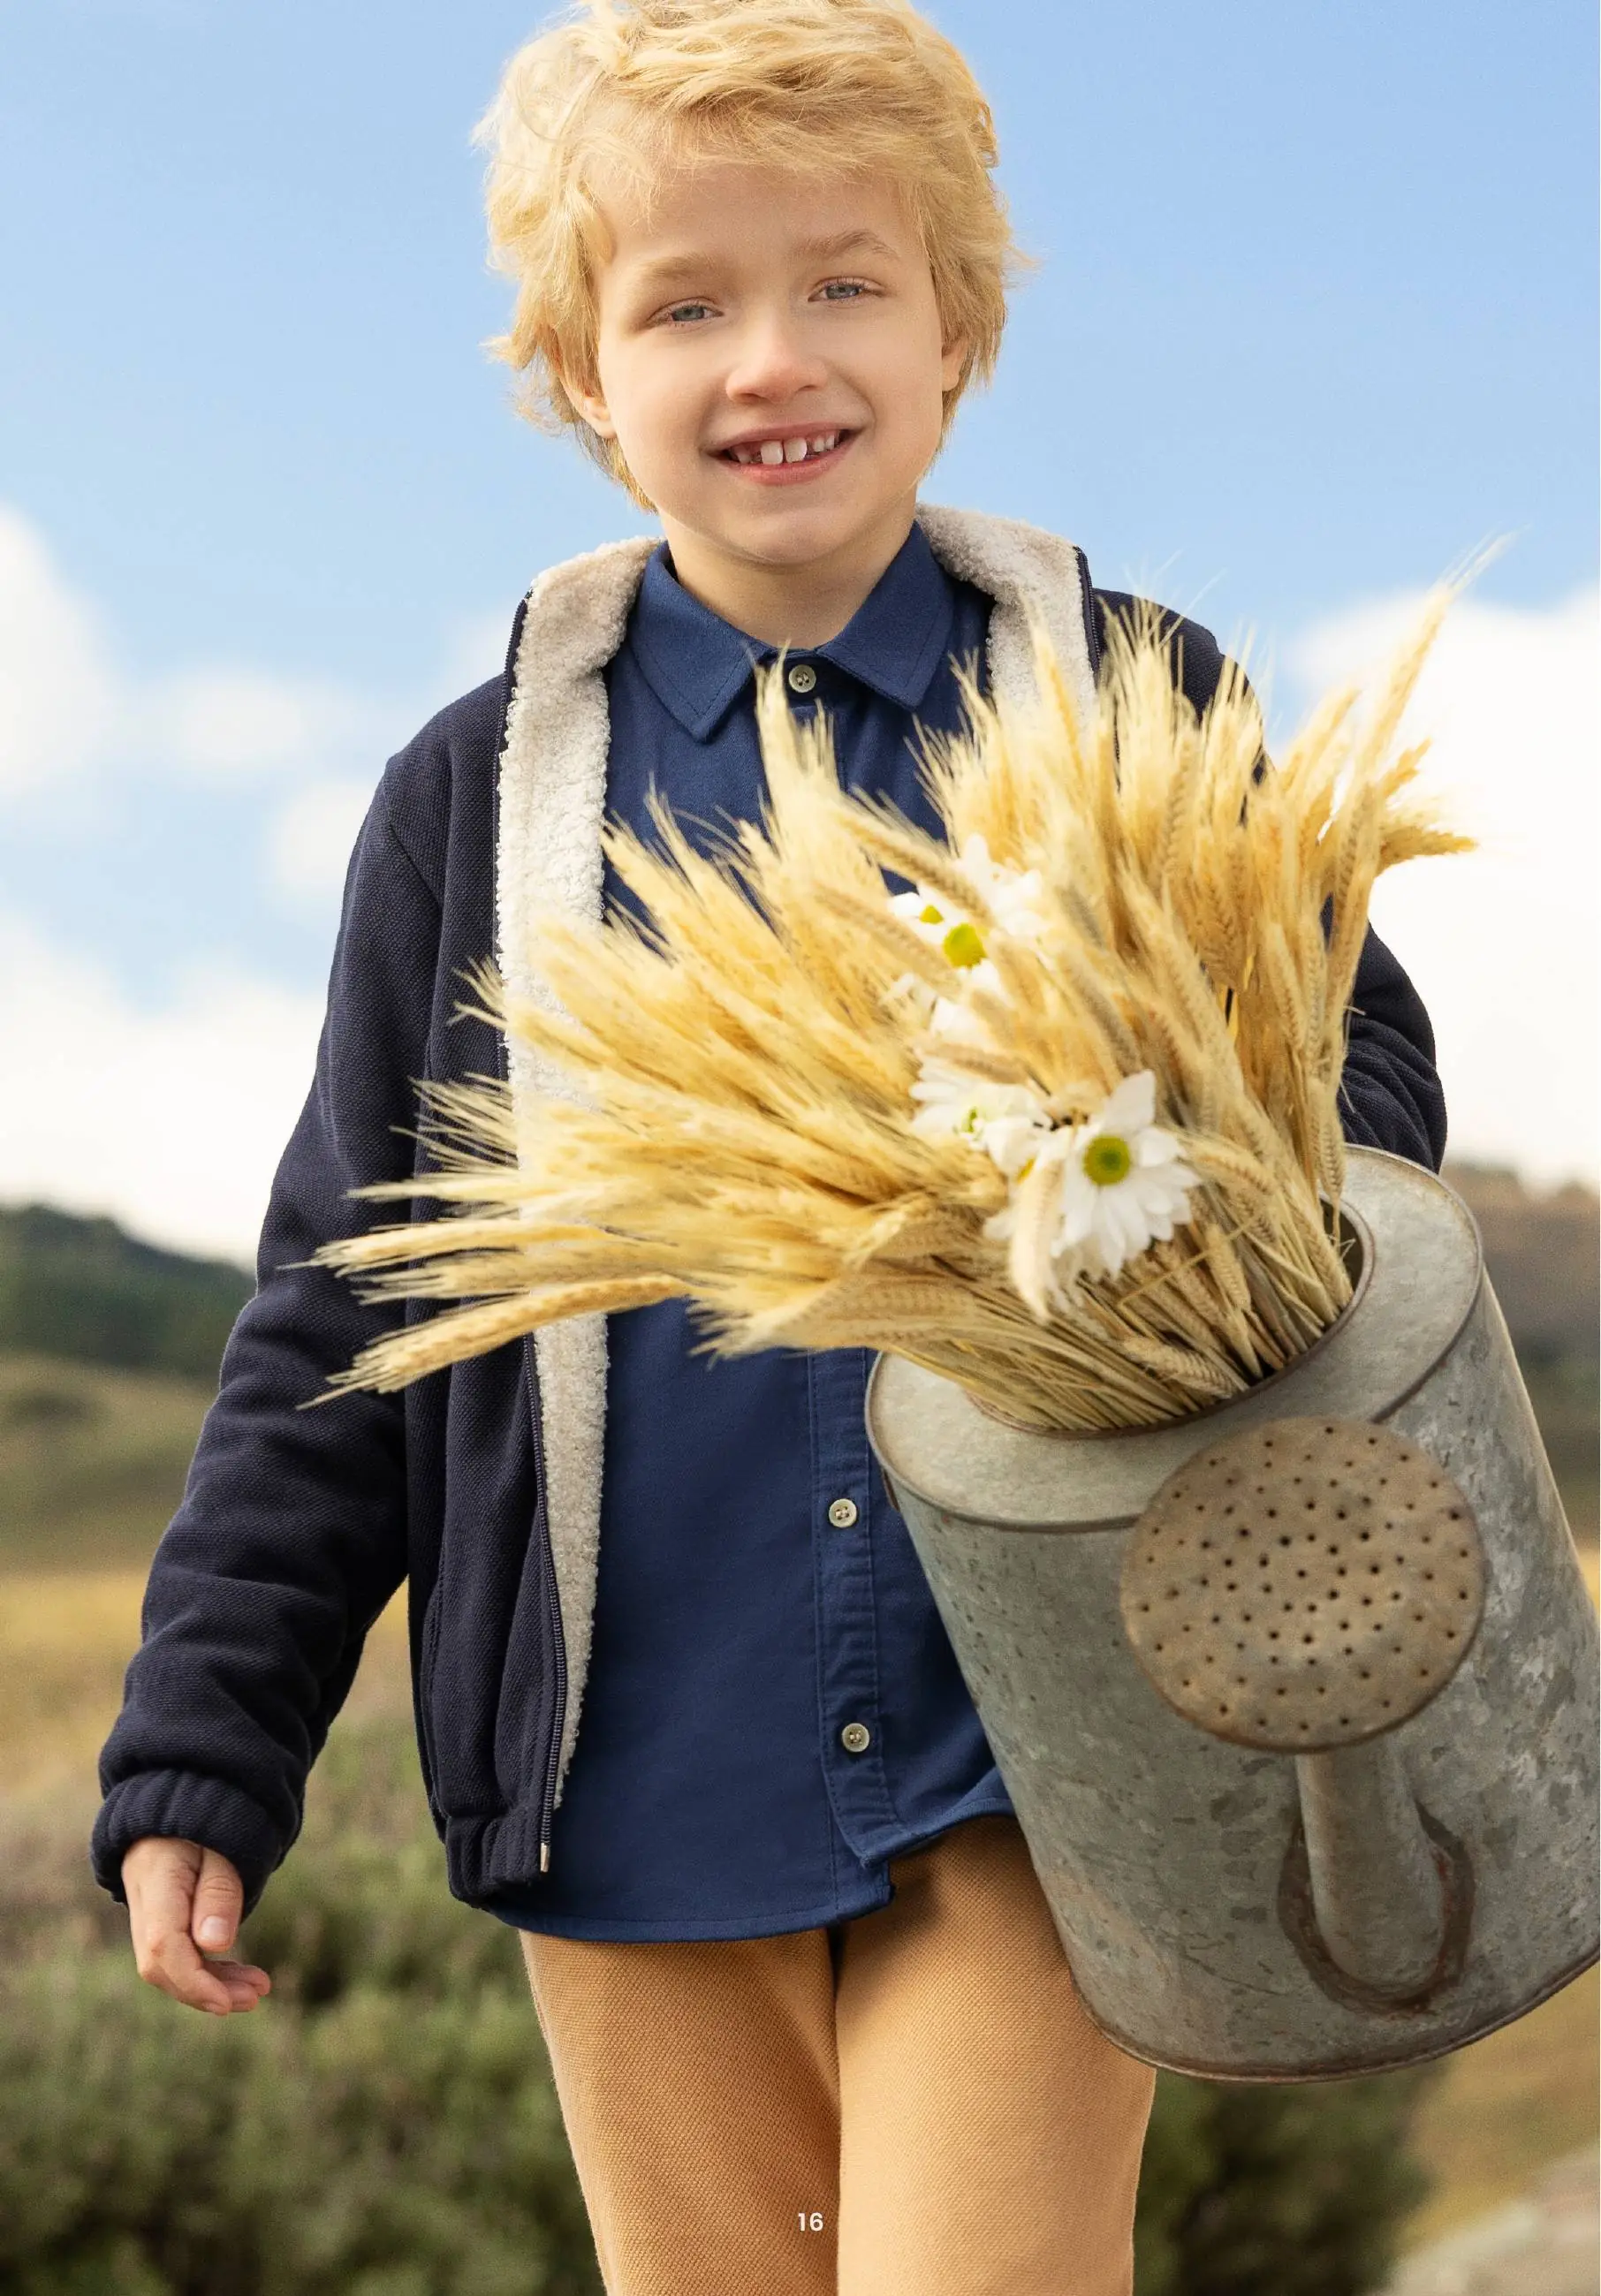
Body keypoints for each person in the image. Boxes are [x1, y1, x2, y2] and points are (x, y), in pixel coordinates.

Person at [91, 4, 1448, 2290]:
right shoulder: (469, 806)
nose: (770, 357)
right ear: (573, 371)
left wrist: (1196, 1204)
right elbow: (352, 1298)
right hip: (627, 1788)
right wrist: (201, 1753)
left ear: (955, 328)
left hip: (1038, 1752)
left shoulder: (1128, 690)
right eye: (683, 303)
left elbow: (1356, 1089)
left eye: (841, 282)